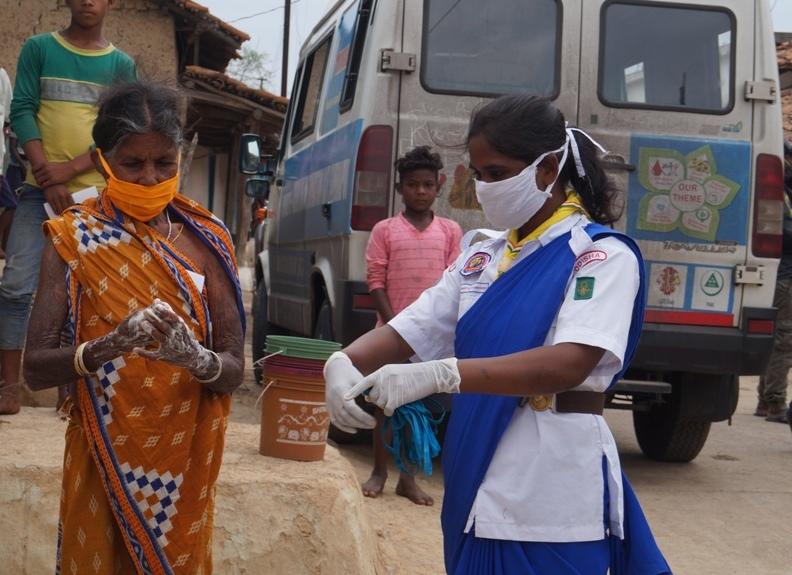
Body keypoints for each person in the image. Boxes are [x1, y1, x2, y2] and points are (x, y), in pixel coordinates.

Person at [325, 95, 671, 575]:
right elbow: (412, 328)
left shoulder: (599, 256)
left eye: (497, 172)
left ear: (548, 169)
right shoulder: (479, 257)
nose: (485, 186)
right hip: (475, 473)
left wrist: (442, 374)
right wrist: (342, 363)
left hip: (550, 487)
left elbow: (571, 362)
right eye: (479, 174)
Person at [22, 81, 245, 574]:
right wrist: (110, 345)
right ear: (103, 160)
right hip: (100, 454)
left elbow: (233, 369)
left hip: (182, 462)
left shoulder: (208, 241)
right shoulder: (72, 237)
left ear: (181, 157)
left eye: (163, 163)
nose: (148, 178)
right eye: (132, 163)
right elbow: (34, 370)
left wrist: (197, 358)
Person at [0, 0, 136, 415]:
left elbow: (119, 132)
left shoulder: (121, 65)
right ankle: (8, 387)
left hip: (96, 195)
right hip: (36, 191)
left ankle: (72, 389)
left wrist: (69, 171)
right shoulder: (40, 49)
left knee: (87, 291)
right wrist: (45, 173)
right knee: (16, 286)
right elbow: (22, 109)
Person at [363, 145, 462, 504]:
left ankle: (408, 477)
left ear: (439, 186)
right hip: (391, 334)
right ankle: (379, 470)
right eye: (412, 185)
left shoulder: (450, 231)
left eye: (427, 185)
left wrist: (428, 333)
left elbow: (455, 282)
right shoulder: (385, 230)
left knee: (420, 409)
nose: (420, 191)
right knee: (383, 403)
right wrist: (397, 328)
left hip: (433, 341)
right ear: (399, 188)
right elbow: (375, 280)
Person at [755, 140, 792, 424]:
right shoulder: (779, 191)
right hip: (785, 276)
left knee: (778, 338)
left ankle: (766, 400)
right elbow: (783, 232)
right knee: (784, 340)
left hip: (777, 274)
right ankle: (773, 402)